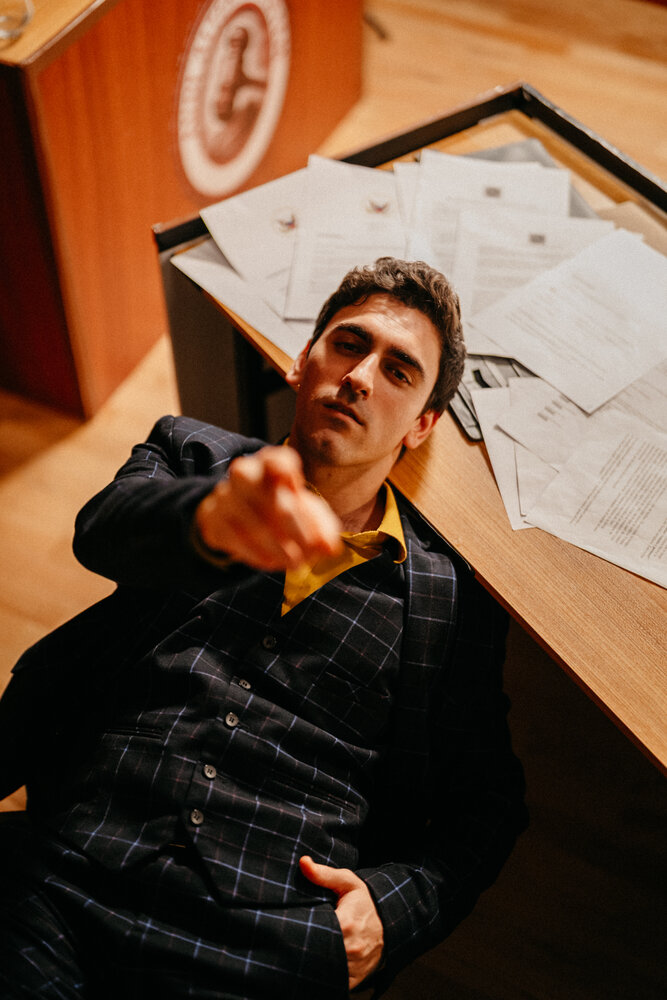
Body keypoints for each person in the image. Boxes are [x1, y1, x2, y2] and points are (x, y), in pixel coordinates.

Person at [0, 258, 526, 999]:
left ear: (422, 425)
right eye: (348, 345)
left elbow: (488, 801)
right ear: (302, 362)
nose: (360, 377)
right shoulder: (193, 454)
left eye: (399, 371)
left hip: (261, 942)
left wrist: (396, 910)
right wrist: (209, 518)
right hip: (68, 867)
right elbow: (104, 532)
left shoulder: (450, 602)